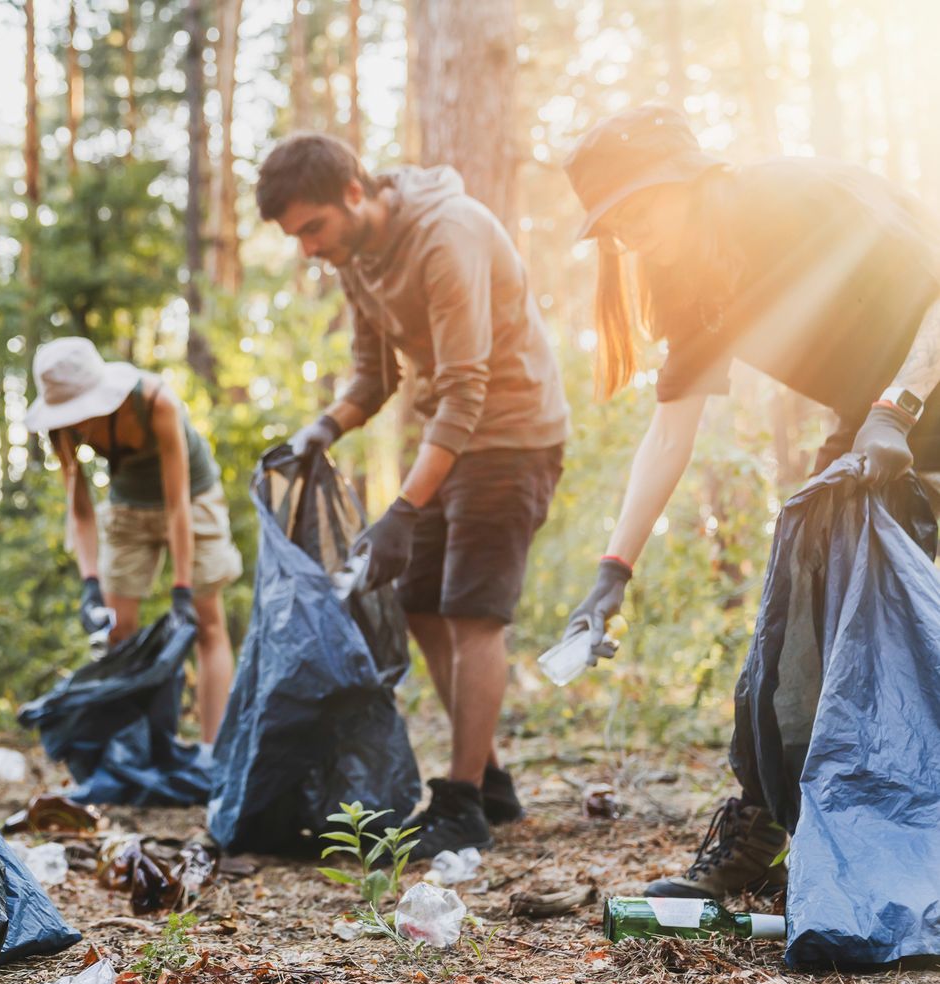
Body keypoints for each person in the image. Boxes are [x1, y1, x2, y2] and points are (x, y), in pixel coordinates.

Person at [559, 104, 940, 901]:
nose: (629, 231)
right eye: (613, 221)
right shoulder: (684, 282)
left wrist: (894, 408)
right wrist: (611, 570)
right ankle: (764, 824)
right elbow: (668, 435)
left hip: (905, 402)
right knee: (799, 610)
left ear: (690, 178)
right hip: (876, 425)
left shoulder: (789, 198)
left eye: (639, 204)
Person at [256, 133, 570, 858]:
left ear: (355, 193)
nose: (307, 249)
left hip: (514, 432)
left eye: (313, 228)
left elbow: (467, 387)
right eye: (295, 236)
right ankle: (489, 779)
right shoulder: (356, 256)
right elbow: (374, 377)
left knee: (472, 615)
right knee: (419, 601)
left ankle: (459, 803)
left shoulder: (444, 236)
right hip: (448, 438)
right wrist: (319, 431)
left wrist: (401, 508)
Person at [26, 337, 243, 759]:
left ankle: (214, 753)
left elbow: (177, 500)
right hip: (128, 505)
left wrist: (181, 589)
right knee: (118, 630)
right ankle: (132, 751)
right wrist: (90, 583)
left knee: (205, 619)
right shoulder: (60, 427)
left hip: (192, 498)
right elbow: (81, 507)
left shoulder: (156, 401)